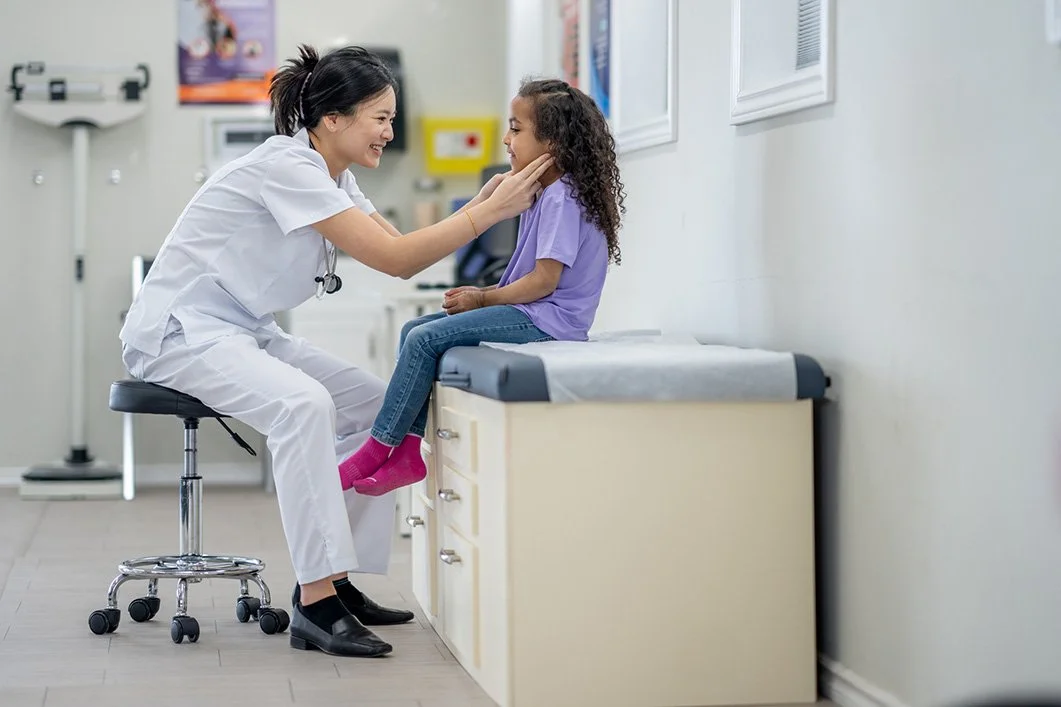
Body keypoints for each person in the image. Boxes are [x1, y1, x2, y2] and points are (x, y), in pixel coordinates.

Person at [118, 44, 552, 658]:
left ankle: (338, 584)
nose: (390, 132)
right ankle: (316, 605)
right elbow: (397, 260)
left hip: (241, 326)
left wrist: (489, 199)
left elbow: (398, 247)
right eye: (380, 118)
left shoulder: (334, 175)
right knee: (303, 406)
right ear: (332, 120)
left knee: (378, 405)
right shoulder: (288, 168)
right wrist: (489, 214)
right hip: (179, 331)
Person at [339, 77, 626, 496]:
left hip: (551, 320)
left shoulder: (562, 197)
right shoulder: (541, 193)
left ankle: (377, 448)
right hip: (533, 312)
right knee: (411, 332)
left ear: (554, 141)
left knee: (421, 339)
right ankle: (406, 453)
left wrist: (483, 298)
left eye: (516, 128)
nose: (506, 139)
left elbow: (545, 281)